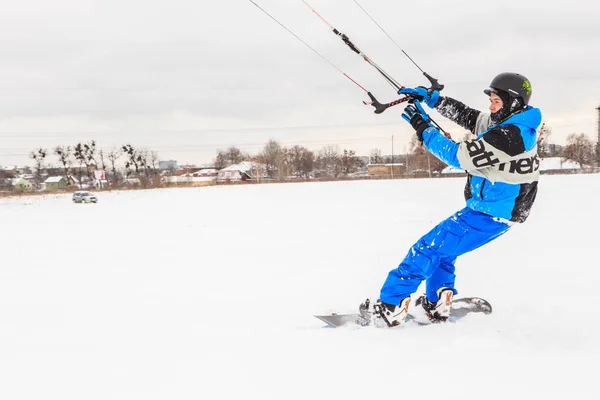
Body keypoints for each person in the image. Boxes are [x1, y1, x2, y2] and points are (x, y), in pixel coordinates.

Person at [360, 72, 542, 327]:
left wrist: (423, 127)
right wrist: (433, 99)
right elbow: (468, 116)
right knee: (443, 252)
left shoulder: (511, 135)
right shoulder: (507, 122)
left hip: (492, 212)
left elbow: (459, 156)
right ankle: (438, 301)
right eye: (490, 99)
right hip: (493, 210)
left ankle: (391, 305)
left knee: (428, 248)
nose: (491, 106)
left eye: (496, 101)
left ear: (513, 102)